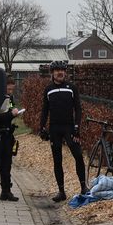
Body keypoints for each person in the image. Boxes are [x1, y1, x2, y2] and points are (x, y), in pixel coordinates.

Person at [38, 60, 87, 202]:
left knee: (78, 155)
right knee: (57, 160)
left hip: (69, 127)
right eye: (57, 70)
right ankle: (61, 191)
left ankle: (83, 187)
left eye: (62, 70)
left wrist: (77, 127)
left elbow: (78, 109)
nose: (60, 72)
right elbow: (45, 110)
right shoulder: (48, 89)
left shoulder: (72, 88)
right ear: (52, 73)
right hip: (54, 128)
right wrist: (41, 127)